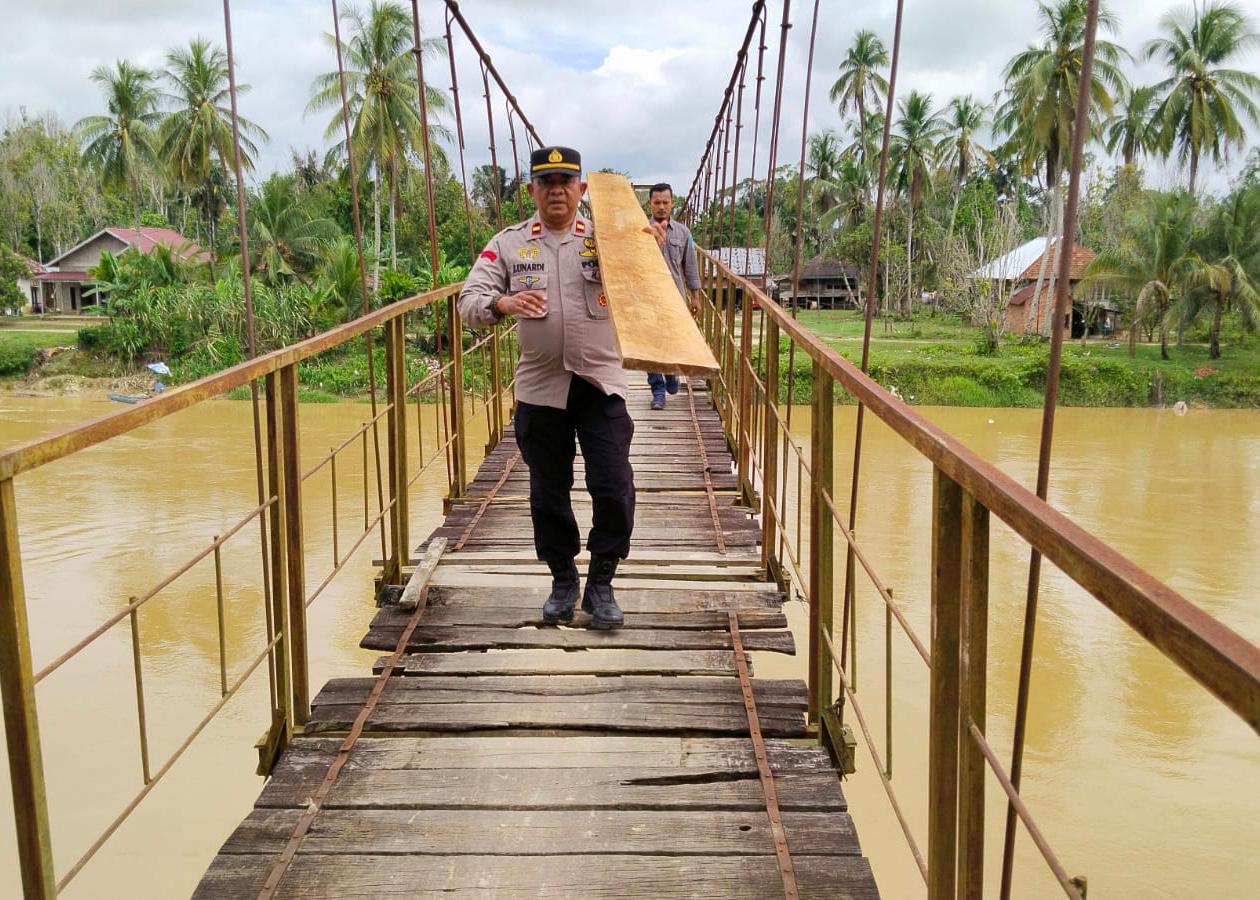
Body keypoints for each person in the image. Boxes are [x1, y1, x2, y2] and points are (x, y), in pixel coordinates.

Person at [458, 146, 633, 630]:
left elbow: (650, 284)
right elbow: (469, 300)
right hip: (540, 388)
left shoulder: (609, 239)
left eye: (565, 181)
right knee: (547, 492)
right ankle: (563, 580)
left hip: (600, 382)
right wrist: (504, 304)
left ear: (581, 189)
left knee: (614, 485)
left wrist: (648, 246)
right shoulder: (509, 244)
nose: (557, 190)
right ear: (532, 190)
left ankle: (601, 582)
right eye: (546, 182)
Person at [643, 182, 702, 410]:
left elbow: (690, 267)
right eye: (657, 202)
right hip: (647, 298)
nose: (661, 207)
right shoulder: (640, 230)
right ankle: (657, 391)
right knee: (650, 345)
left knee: (671, 342)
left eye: (665, 202)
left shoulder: (684, 233)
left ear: (672, 203)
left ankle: (671, 374)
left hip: (675, 298)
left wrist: (695, 296)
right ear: (650, 204)